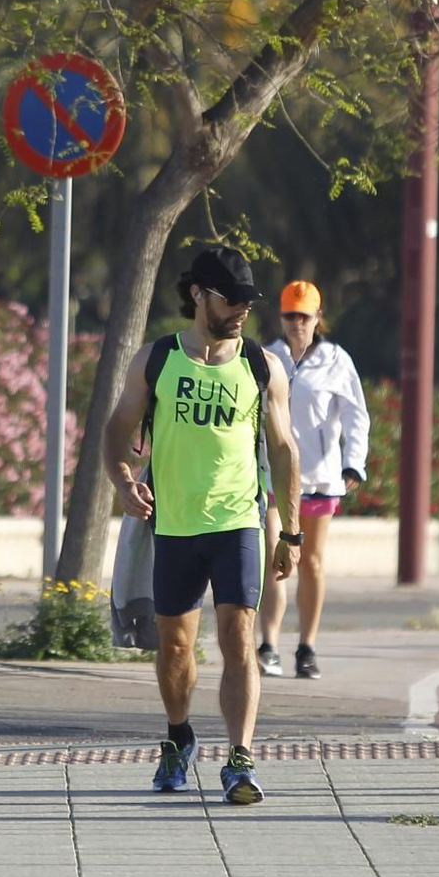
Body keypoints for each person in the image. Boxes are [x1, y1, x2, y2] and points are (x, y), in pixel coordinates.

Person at [102, 246, 302, 804]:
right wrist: (123, 482)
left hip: (238, 521)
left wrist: (290, 532)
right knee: (175, 649)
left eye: (247, 300)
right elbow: (116, 429)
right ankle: (178, 737)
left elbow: (285, 450)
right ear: (198, 295)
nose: (241, 309)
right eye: (230, 298)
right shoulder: (158, 359)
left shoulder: (263, 366)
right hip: (174, 526)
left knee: (240, 637)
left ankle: (240, 759)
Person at [257, 280, 370, 680]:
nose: (297, 324)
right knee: (275, 558)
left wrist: (353, 463)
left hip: (320, 478)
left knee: (312, 563)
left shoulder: (337, 361)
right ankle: (268, 644)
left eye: (304, 316)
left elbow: (357, 415)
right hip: (274, 477)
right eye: (290, 315)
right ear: (281, 317)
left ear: (318, 317)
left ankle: (307, 647)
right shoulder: (267, 357)